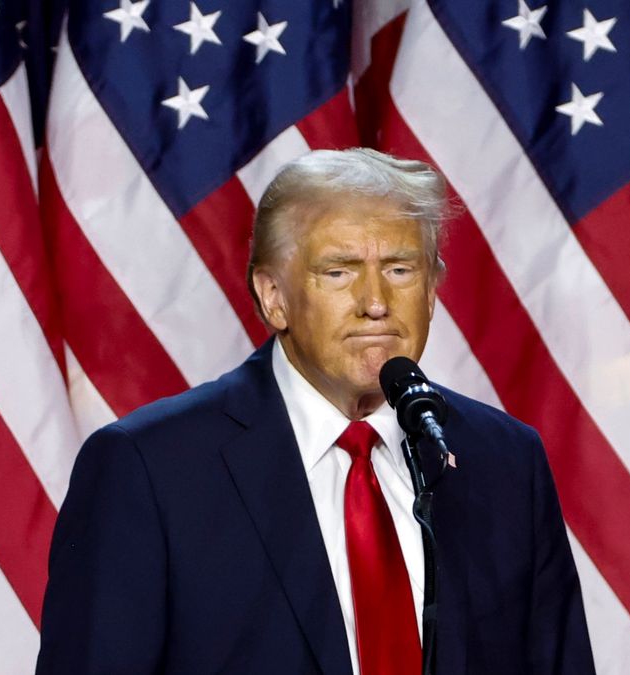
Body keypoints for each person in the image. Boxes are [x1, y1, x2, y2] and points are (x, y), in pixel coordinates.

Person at [36, 149, 596, 675]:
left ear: (430, 293)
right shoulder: (149, 468)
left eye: (401, 269)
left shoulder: (502, 460)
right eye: (339, 271)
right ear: (273, 295)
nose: (375, 301)